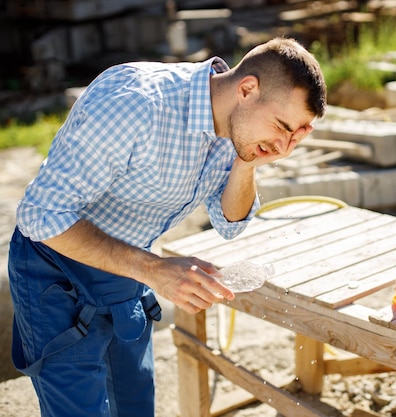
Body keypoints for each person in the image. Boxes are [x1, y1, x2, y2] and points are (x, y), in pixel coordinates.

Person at [8, 37, 326, 417]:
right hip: (54, 268)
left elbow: (229, 223)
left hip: (125, 271)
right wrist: (154, 270)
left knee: (135, 407)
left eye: (296, 135)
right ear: (247, 89)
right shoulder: (132, 103)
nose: (283, 145)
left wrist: (248, 161)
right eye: (281, 127)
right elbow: (41, 214)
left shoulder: (240, 125)